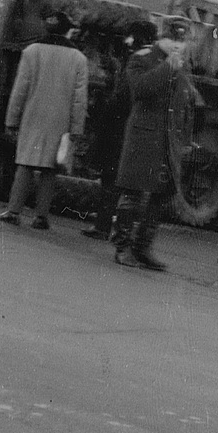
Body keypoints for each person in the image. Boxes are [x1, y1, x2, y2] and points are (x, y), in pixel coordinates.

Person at [0, 9, 88, 230]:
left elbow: (20, 90)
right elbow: (79, 98)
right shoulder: (78, 58)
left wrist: (12, 120)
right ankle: (41, 217)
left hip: (32, 116)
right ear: (67, 32)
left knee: (25, 163)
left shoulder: (31, 51)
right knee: (50, 168)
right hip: (61, 121)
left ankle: (14, 210)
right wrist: (76, 128)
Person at [113, 20, 193, 271]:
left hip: (168, 141)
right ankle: (122, 247)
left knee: (159, 195)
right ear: (162, 39)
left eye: (182, 42)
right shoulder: (143, 58)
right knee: (133, 193)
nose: (178, 47)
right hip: (144, 138)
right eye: (173, 41)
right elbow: (139, 89)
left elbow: (185, 104)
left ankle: (143, 248)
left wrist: (185, 140)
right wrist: (168, 67)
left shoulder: (182, 65)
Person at [81, 21, 147, 241]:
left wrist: (106, 106)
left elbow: (122, 96)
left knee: (112, 180)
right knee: (114, 180)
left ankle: (104, 227)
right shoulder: (140, 60)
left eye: (131, 36)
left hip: (120, 129)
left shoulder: (138, 62)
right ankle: (107, 225)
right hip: (123, 129)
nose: (127, 41)